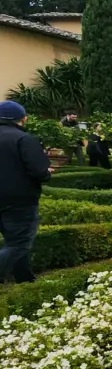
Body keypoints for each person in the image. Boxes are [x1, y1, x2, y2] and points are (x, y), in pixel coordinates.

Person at [0, 101, 53, 284]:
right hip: (19, 199)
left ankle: (25, 279)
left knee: (12, 242)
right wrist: (46, 174)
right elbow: (39, 171)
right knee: (19, 243)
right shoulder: (23, 138)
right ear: (23, 119)